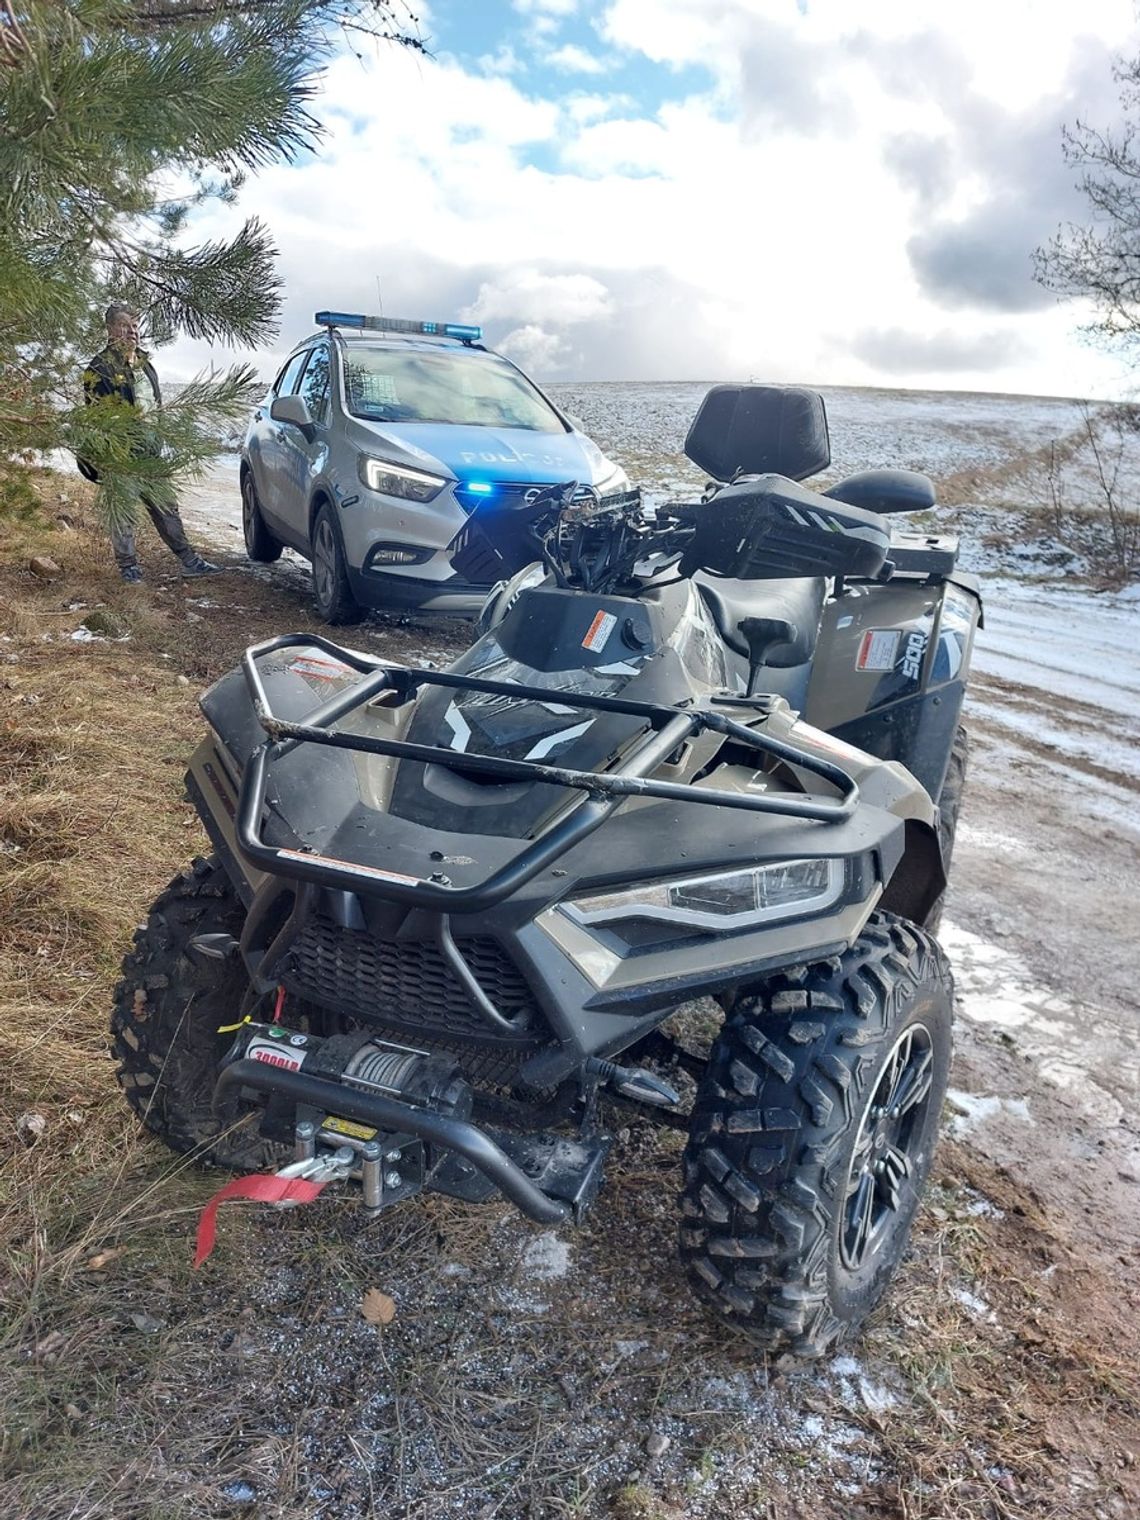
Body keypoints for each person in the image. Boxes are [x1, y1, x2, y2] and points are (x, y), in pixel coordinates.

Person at [81, 304, 219, 583]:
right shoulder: (99, 368)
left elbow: (155, 405)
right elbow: (98, 417)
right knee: (124, 513)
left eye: (135, 326)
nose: (132, 331)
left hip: (151, 452)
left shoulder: (145, 364)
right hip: (121, 455)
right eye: (124, 325)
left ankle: (189, 561)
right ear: (110, 329)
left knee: (167, 507)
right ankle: (128, 568)